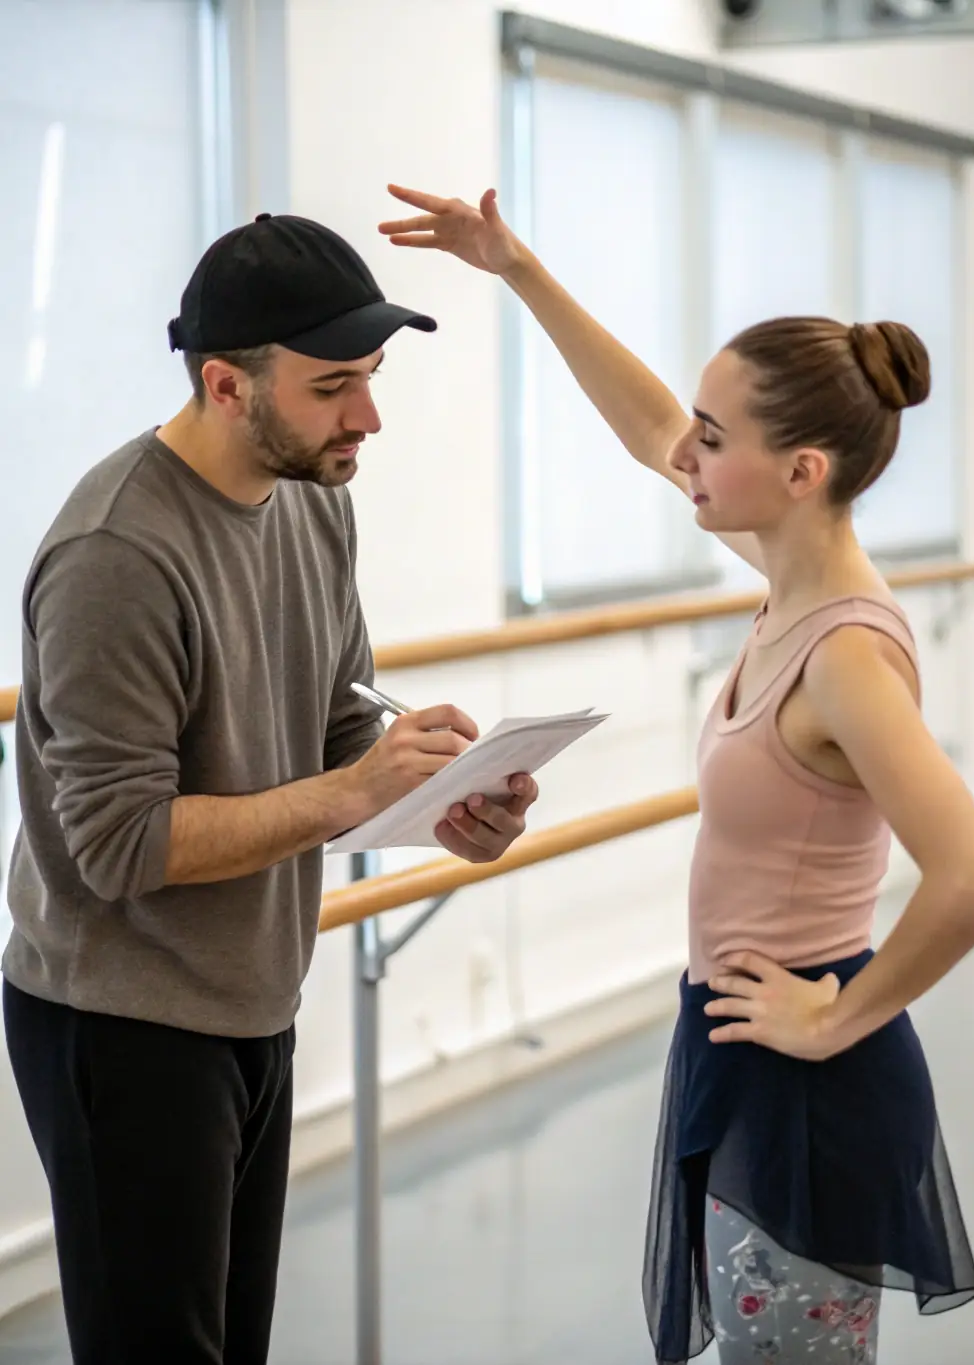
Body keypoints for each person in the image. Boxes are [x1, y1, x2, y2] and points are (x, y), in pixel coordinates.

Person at [378, 184, 974, 1364]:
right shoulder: (788, 578)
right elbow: (646, 421)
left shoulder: (848, 655)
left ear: (803, 471)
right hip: (739, 1046)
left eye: (716, 441)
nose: (687, 452)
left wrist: (833, 1022)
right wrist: (517, 269)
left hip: (805, 1076)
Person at [1, 212, 539, 1365]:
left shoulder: (314, 497)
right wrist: (351, 794)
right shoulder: (116, 556)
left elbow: (340, 721)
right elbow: (119, 845)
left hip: (253, 1001)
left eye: (374, 377)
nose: (368, 418)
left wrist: (444, 808)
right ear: (226, 386)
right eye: (333, 385)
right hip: (120, 1022)